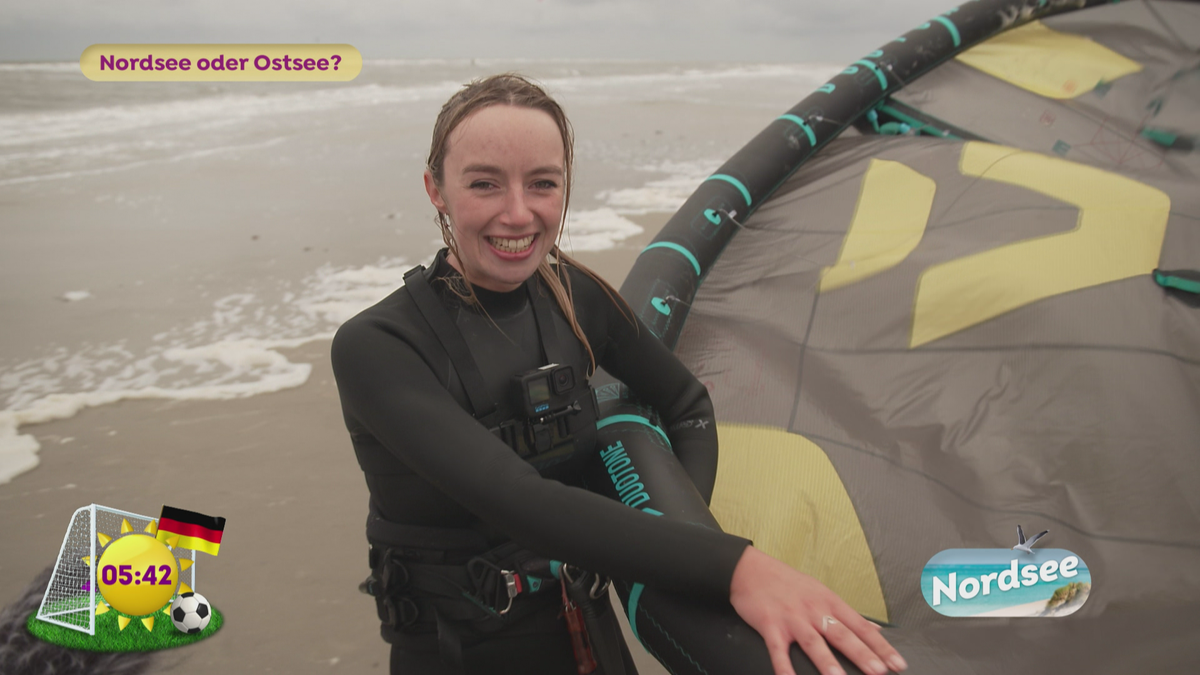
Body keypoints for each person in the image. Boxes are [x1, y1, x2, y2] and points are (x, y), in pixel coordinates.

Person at [331, 73, 907, 675]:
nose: (518, 212)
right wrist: (734, 565)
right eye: (484, 184)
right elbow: (518, 500)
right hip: (458, 653)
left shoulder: (574, 298)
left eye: (543, 183)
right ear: (436, 190)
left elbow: (687, 404)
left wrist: (678, 535)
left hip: (587, 635)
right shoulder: (379, 347)